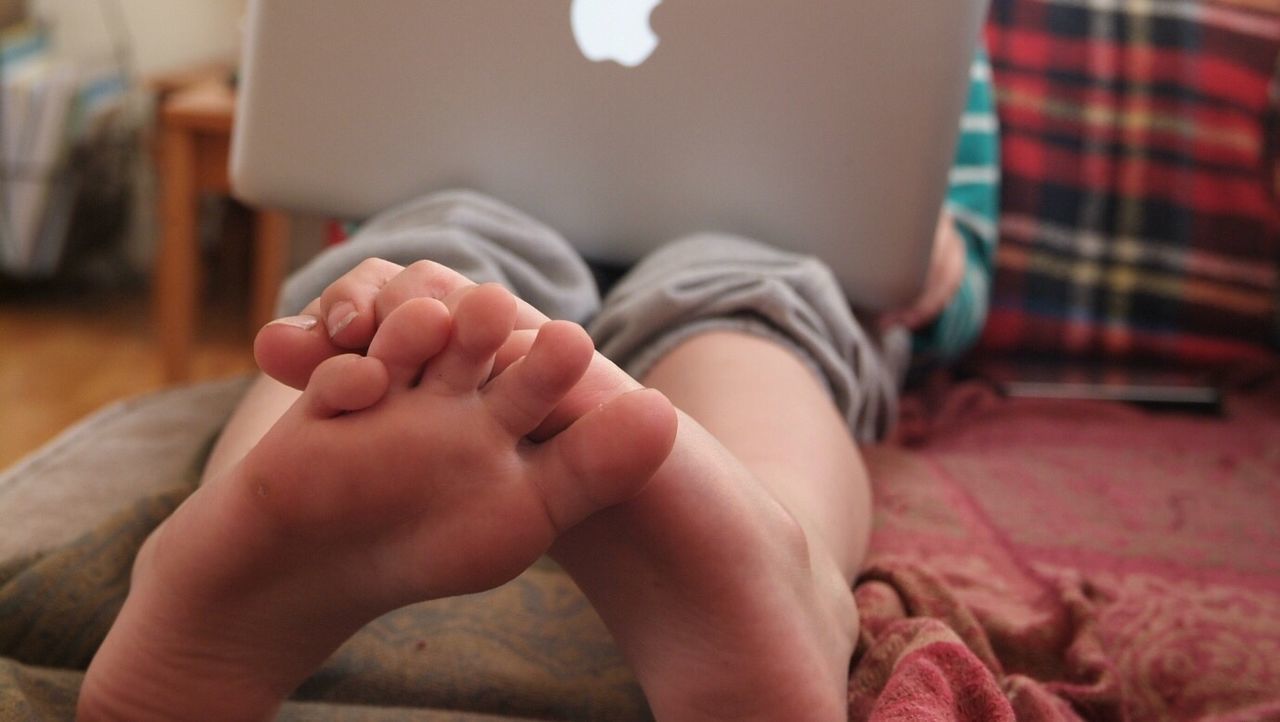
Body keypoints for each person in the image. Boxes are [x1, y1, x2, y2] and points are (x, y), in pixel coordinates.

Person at [77, 48, 999, 722]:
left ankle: (773, 566)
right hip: (488, 201)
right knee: (452, 276)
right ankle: (785, 561)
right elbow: (338, 107)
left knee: (444, 295)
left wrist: (938, 260)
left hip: (762, 226)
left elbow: (949, 262)